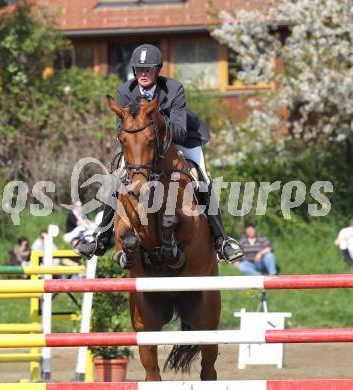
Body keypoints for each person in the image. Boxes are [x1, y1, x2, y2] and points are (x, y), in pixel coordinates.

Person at [74, 43, 244, 265]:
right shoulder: (125, 91)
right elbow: (121, 129)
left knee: (201, 176)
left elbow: (180, 130)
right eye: (139, 69)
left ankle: (222, 240)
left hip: (180, 140)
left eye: (148, 69)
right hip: (141, 145)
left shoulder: (173, 89)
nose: (143, 73)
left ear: (158, 69)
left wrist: (154, 124)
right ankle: (101, 236)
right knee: (117, 178)